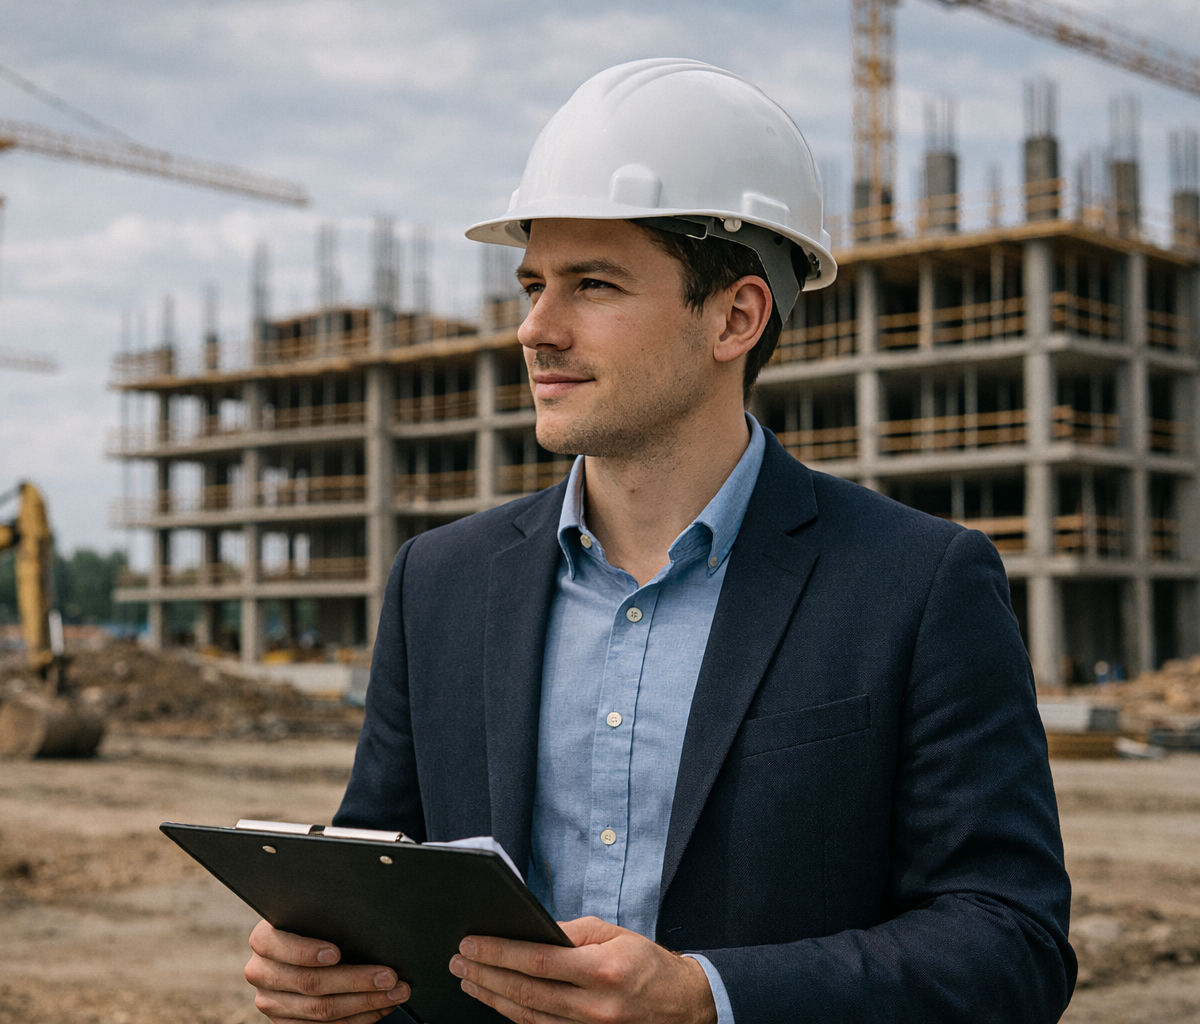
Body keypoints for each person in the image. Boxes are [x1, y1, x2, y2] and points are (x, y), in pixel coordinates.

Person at [243, 58, 1075, 1023]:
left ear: (735, 316)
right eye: (532, 284)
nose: (534, 329)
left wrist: (705, 997)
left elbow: (1008, 942)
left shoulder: (918, 584)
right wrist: (319, 962)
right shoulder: (442, 581)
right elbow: (380, 876)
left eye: (593, 285)